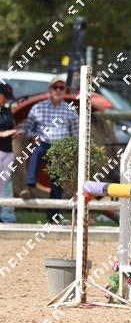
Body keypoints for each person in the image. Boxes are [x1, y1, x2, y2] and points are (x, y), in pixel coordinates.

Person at [18, 76, 79, 223]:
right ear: (50, 90)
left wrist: (72, 149)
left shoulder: (70, 110)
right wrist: (33, 137)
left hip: (61, 147)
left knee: (57, 183)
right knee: (37, 151)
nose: (58, 90)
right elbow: (27, 129)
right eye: (55, 87)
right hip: (43, 144)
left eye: (61, 88)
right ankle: (29, 186)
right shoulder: (37, 108)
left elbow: (76, 133)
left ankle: (52, 217)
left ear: (65, 90)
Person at [0, 84, 17, 223]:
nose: (7, 99)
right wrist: (2, 134)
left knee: (5, 184)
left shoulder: (7, 110)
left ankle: (6, 216)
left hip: (8, 151)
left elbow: (12, 126)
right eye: (5, 96)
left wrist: (15, 133)